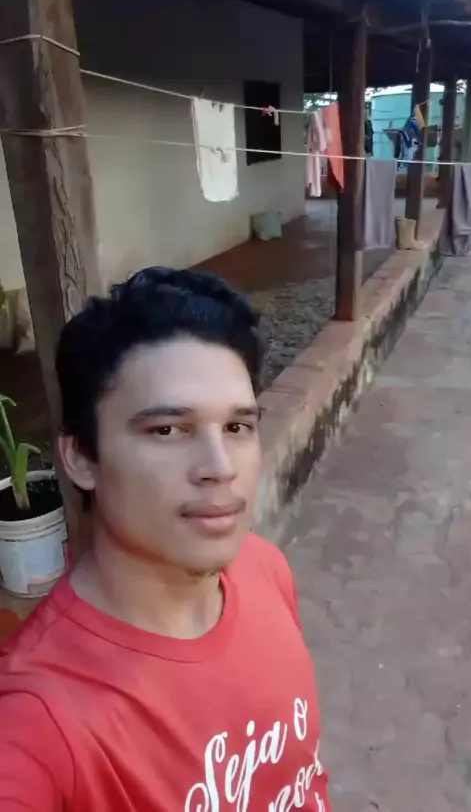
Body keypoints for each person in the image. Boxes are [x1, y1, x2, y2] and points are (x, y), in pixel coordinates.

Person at [0, 267, 330, 811]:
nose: (219, 467)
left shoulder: (263, 567)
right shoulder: (39, 717)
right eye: (168, 430)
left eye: (237, 427)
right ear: (80, 457)